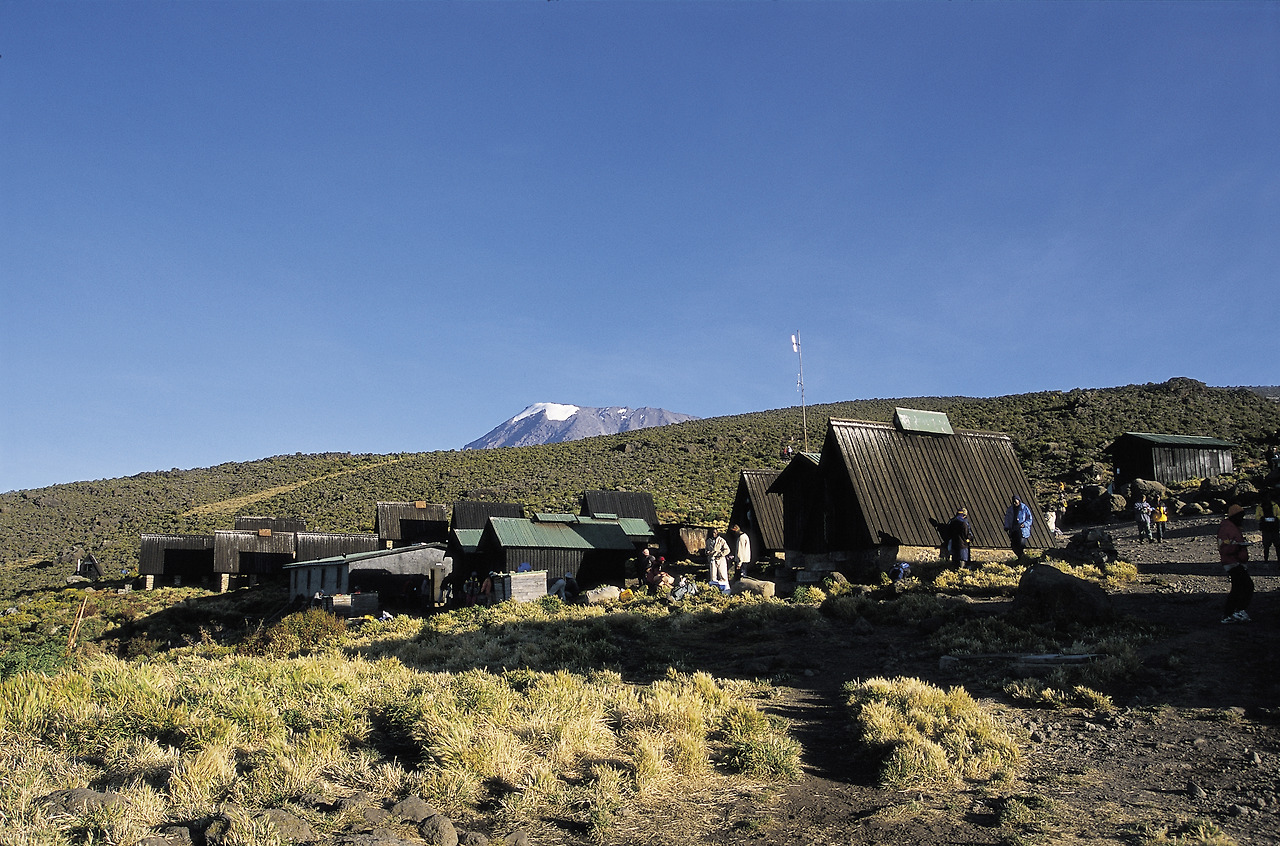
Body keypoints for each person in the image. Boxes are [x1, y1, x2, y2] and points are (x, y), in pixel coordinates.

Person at [1217, 505, 1253, 623]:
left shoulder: (1232, 527)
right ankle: (1234, 612)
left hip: (1237, 562)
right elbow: (1224, 548)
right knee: (1246, 586)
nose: (1242, 519)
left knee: (1238, 588)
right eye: (1240, 516)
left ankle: (1231, 613)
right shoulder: (1227, 528)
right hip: (1232, 563)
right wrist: (1238, 547)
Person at [1003, 495, 1034, 563]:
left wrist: (1025, 524)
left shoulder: (1024, 508)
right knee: (1014, 545)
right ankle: (1020, 557)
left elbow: (1029, 519)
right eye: (1014, 502)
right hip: (1013, 529)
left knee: (1021, 544)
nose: (1015, 503)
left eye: (1016, 502)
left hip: (1022, 530)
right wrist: (1007, 526)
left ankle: (1023, 558)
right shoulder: (1010, 509)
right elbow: (1007, 518)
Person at [1256, 484, 1280, 563]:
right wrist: (1262, 518)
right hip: (1266, 528)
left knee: (1277, 546)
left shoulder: (1275, 506)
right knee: (1266, 546)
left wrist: (1276, 518)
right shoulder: (1260, 507)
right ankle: (1266, 560)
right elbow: (1257, 517)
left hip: (1274, 528)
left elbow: (1279, 515)